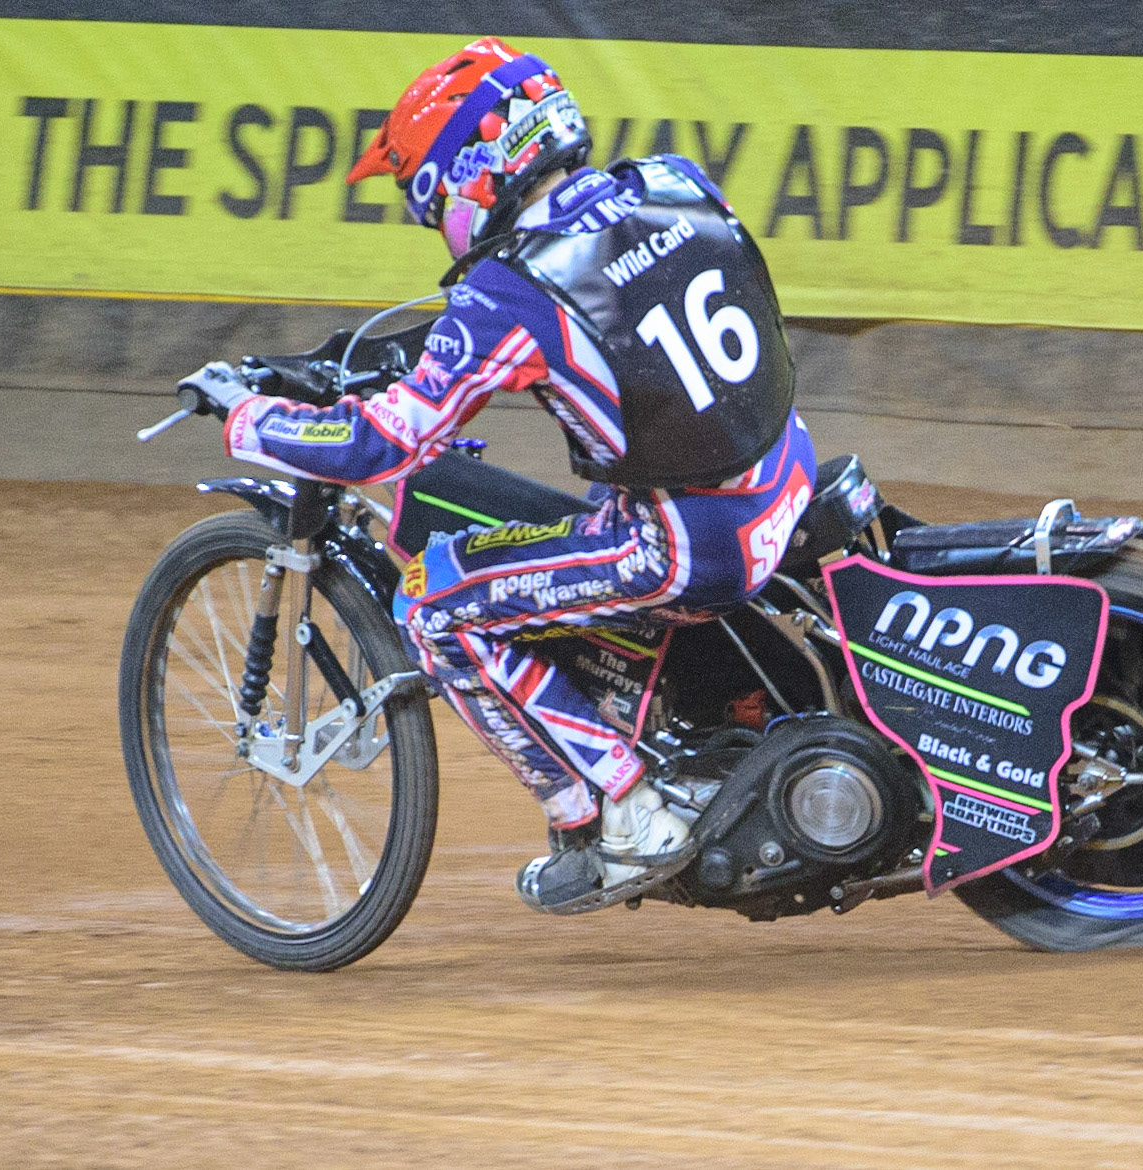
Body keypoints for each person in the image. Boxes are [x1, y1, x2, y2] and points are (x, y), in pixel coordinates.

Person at [186, 37, 815, 911]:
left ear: (470, 174)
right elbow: (529, 331)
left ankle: (620, 813)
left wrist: (248, 419)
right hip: (785, 474)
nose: (433, 220)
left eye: (429, 199)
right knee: (603, 481)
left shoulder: (512, 288)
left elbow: (385, 443)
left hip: (688, 545)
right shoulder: (671, 181)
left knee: (434, 604)